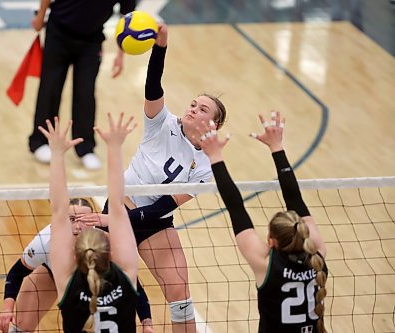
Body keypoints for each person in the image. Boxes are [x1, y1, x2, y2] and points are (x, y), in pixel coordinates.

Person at [76, 23, 227, 333]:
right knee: (112, 291)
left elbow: (161, 208)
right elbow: (153, 85)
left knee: (180, 292)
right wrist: (160, 47)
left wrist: (114, 222)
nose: (193, 108)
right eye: (193, 104)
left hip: (152, 220)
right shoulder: (162, 123)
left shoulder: (206, 164)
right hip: (121, 206)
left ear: (213, 124)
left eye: (202, 109)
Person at [198, 111, 328, 333]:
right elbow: (294, 199)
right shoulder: (318, 256)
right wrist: (277, 147)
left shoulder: (266, 266)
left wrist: (214, 156)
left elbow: (235, 206)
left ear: (271, 241)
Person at [38, 113, 139, 331]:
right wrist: (114, 147)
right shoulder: (126, 276)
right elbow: (118, 208)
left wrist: (57, 153)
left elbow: (58, 211)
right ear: (111, 254)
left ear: (75, 256)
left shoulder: (68, 283)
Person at [0, 202, 155, 332]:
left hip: (93, 280)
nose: (78, 225)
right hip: (53, 275)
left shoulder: (103, 243)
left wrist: (146, 322)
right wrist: (7, 308)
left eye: (84, 219)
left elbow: (133, 285)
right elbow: (16, 273)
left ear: (93, 221)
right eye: (72, 219)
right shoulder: (46, 241)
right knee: (21, 325)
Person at [29, 0, 136, 169]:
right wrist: (40, 17)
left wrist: (120, 55)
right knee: (50, 88)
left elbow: (127, 19)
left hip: (91, 42)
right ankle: (40, 141)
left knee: (85, 93)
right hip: (58, 33)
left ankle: (85, 148)